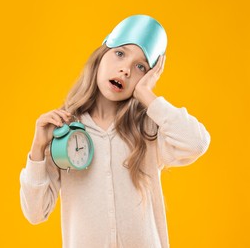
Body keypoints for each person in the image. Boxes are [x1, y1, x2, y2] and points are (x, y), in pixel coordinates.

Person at [19, 14, 211, 248]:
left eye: (140, 66)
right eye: (120, 54)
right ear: (101, 56)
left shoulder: (148, 129)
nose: (126, 70)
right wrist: (38, 149)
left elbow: (197, 142)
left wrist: (147, 96)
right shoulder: (64, 131)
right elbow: (36, 212)